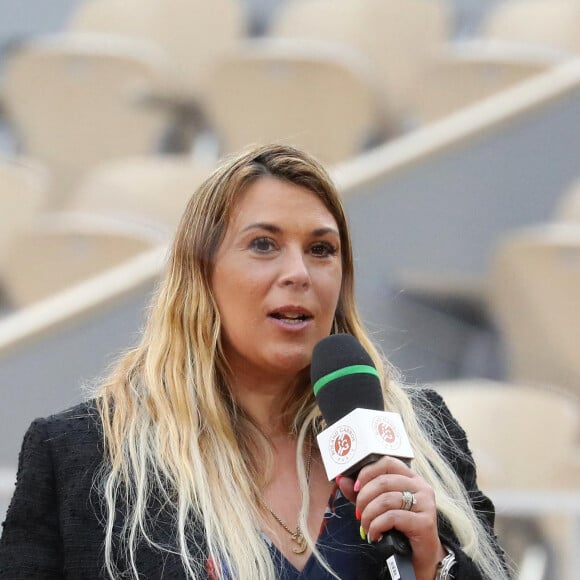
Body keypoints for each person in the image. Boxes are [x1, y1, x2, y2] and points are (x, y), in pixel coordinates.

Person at [0, 143, 509, 579]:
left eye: (321, 249)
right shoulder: (81, 455)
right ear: (202, 276)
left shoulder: (421, 434)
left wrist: (434, 562)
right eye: (263, 245)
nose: (298, 273)